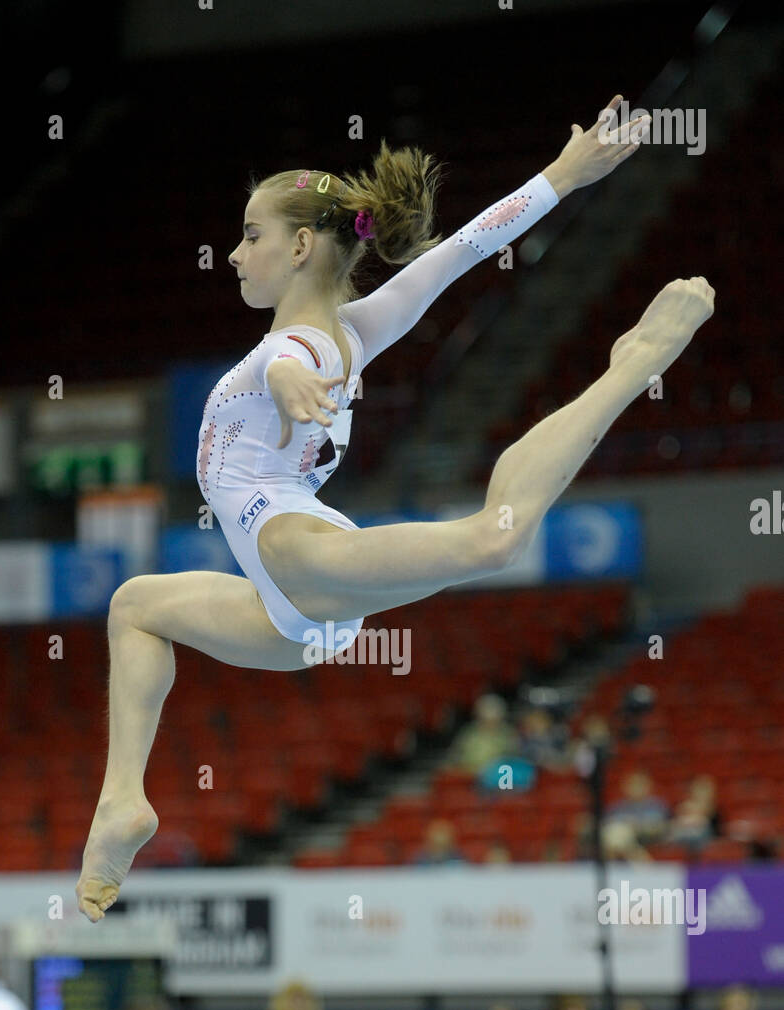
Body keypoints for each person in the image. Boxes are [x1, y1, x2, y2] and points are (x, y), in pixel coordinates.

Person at [74, 98, 715, 921]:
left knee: (495, 539)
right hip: (292, 605)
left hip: (296, 561)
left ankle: (632, 364)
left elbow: (285, 361)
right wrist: (564, 174)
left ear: (302, 245)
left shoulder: (298, 350)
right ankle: (119, 801)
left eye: (250, 235)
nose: (234, 254)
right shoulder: (354, 331)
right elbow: (463, 250)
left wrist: (286, 382)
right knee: (135, 609)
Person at [446, 693, 519, 776]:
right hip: (469, 776)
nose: (489, 723)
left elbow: (513, 760)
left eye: (493, 719)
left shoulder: (508, 734)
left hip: (498, 778)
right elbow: (455, 756)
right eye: (485, 718)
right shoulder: (468, 733)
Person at [605, 770, 670, 847]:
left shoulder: (657, 805)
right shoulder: (616, 807)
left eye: (640, 784)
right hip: (620, 840)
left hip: (649, 841)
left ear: (648, 786)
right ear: (625, 786)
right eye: (632, 784)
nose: (636, 788)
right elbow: (608, 824)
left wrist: (634, 825)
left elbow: (658, 826)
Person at [667, 775, 722, 850]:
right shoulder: (683, 808)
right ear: (692, 790)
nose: (702, 793)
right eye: (700, 789)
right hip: (682, 842)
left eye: (705, 789)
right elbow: (673, 826)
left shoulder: (715, 811)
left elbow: (717, 833)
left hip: (705, 845)